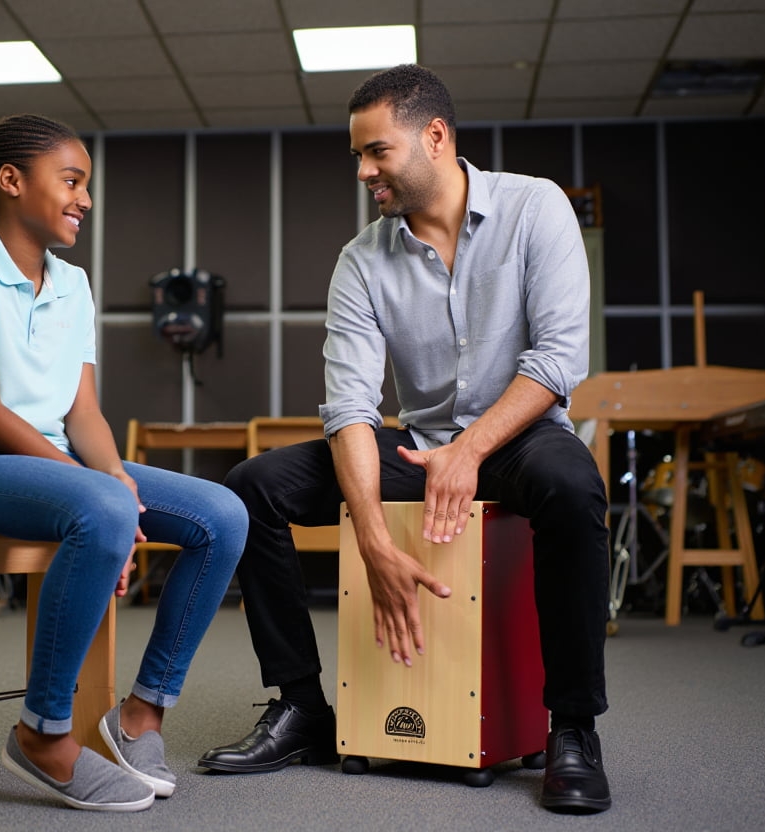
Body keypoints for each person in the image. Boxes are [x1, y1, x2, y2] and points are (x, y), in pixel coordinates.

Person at [198, 65, 612, 814]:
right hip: (419, 447)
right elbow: (350, 407)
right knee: (253, 489)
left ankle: (573, 727)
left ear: (436, 137)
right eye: (358, 155)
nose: (363, 171)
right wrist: (373, 536)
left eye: (377, 151)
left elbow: (557, 362)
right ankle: (302, 707)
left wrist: (470, 450)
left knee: (574, 486)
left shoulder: (535, 207)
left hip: (519, 436)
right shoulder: (361, 260)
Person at [0, 114, 247, 813]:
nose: (85, 199)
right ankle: (43, 733)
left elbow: (83, 412)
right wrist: (97, 494)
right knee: (104, 505)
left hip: (54, 465)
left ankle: (141, 716)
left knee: (223, 516)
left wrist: (112, 478)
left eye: (87, 185)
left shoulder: (73, 283)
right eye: (72, 181)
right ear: (12, 181)